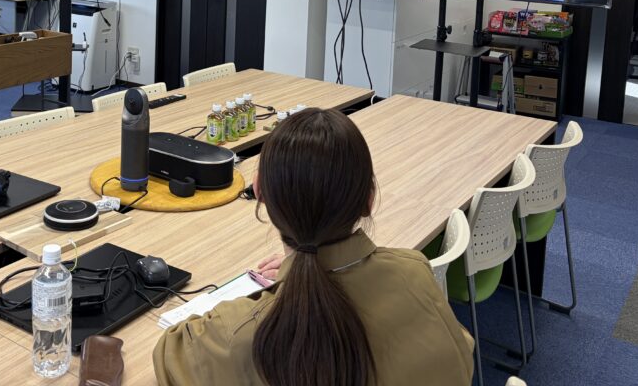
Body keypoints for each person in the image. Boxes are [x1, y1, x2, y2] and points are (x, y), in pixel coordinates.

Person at [153, 108, 474, 386]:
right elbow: (462, 355)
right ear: (369, 200)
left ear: (259, 191)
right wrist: (304, 272)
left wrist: (292, 277)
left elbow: (169, 353)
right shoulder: (415, 272)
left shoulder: (235, 333)